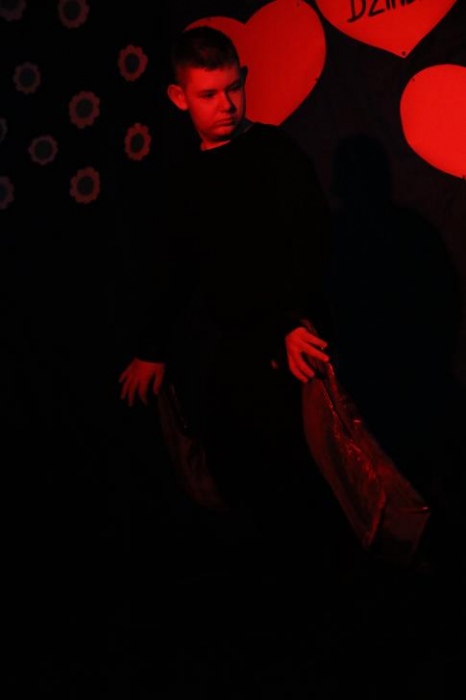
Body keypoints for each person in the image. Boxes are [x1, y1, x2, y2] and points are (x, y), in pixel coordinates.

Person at [118, 25, 355, 578]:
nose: (225, 105)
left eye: (232, 88)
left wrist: (292, 323)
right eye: (208, 94)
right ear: (179, 97)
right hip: (228, 357)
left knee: (305, 487)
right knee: (236, 486)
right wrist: (152, 347)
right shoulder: (182, 177)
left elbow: (309, 246)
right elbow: (174, 267)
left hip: (288, 349)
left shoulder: (276, 154)